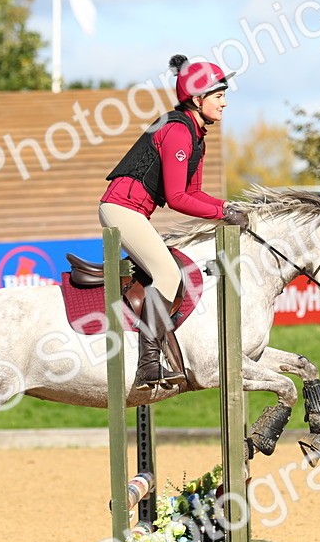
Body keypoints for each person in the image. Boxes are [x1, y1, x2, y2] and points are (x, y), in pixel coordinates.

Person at [100, 54, 248, 390]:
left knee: (171, 268)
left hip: (133, 211)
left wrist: (227, 205)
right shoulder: (178, 132)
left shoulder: (196, 135)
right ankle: (148, 366)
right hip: (120, 209)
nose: (225, 103)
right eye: (219, 95)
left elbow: (194, 192)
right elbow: (179, 199)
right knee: (167, 272)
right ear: (198, 99)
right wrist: (224, 213)